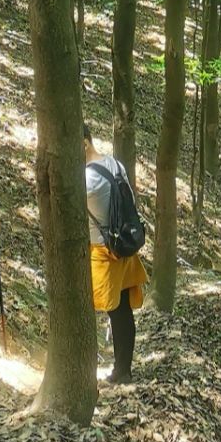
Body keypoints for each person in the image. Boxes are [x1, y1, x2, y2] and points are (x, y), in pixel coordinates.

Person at [84, 123, 149, 385]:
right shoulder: (116, 164)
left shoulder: (85, 179)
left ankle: (101, 371)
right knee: (121, 311)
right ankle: (123, 369)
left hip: (100, 252)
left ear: (85, 142)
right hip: (122, 247)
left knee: (99, 308)